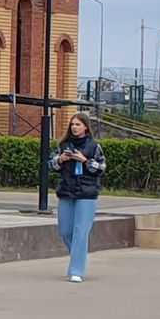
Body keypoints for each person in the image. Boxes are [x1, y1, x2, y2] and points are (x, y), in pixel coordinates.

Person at [52, 112, 106, 282]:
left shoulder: (94, 146)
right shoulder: (63, 145)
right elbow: (50, 164)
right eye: (73, 124)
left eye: (78, 125)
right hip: (67, 191)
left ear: (85, 127)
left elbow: (101, 168)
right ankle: (79, 256)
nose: (74, 127)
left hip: (87, 194)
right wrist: (60, 160)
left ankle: (76, 270)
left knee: (81, 231)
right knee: (65, 231)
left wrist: (84, 160)